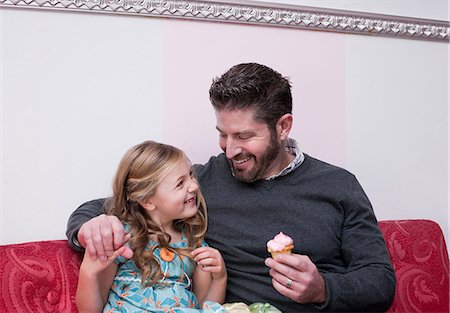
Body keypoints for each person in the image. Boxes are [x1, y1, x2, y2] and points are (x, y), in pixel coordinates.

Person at [67, 63, 396, 312]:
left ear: (283, 127)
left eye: (244, 136)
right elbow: (115, 203)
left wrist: (323, 288)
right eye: (223, 133)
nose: (230, 149)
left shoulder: (338, 185)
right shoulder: (203, 182)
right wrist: (91, 228)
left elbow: (380, 280)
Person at [75, 140, 227, 313]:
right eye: (180, 184)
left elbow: (206, 306)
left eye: (191, 175)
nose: (194, 186)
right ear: (147, 201)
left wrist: (220, 277)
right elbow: (91, 310)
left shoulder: (193, 243)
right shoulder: (122, 238)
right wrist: (88, 271)